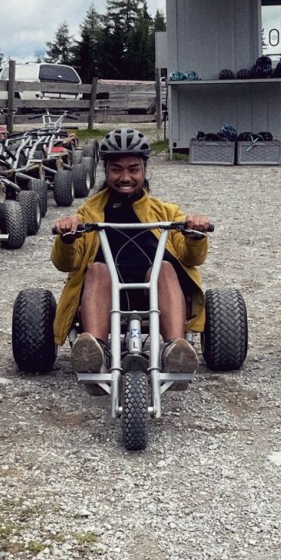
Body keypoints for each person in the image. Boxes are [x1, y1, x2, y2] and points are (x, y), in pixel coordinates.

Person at [51, 128, 212, 379]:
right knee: (97, 269)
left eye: (133, 169)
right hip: (106, 294)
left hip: (156, 294)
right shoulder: (88, 214)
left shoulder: (167, 212)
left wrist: (195, 235)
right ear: (106, 170)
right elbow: (65, 264)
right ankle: (97, 355)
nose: (125, 177)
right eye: (117, 169)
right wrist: (67, 239)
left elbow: (192, 258)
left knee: (165, 268)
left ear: (144, 170)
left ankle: (174, 351)